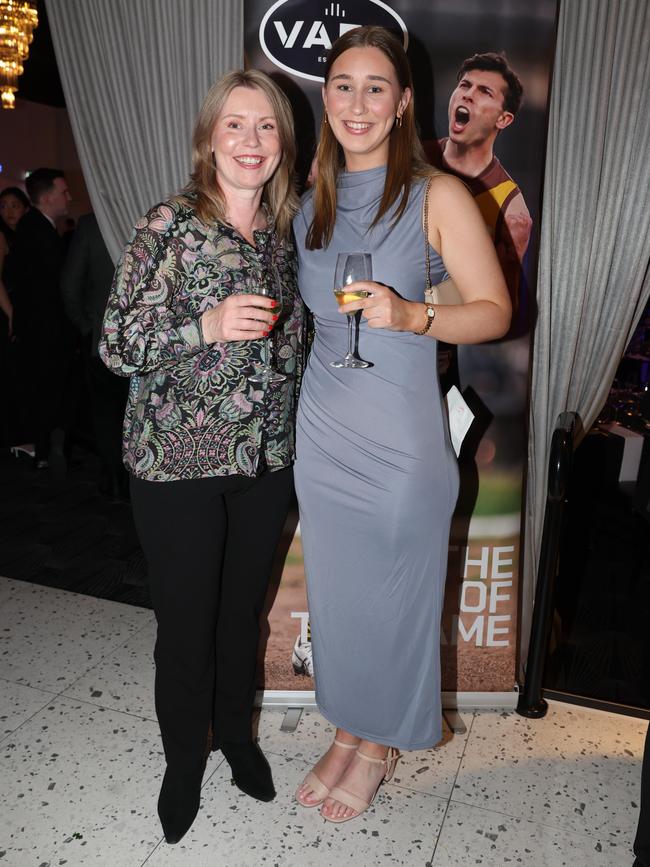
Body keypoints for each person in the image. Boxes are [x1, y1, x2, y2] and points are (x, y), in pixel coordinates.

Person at [292, 25, 511, 824]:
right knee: (343, 600)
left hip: (399, 439)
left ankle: (379, 742)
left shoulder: (435, 195)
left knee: (393, 599)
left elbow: (494, 311)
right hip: (323, 432)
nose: (358, 102)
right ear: (326, 99)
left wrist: (415, 315)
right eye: (343, 84)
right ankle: (350, 728)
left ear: (404, 101)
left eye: (376, 86)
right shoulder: (309, 196)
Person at [99, 69, 305, 845]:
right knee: (185, 624)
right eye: (235, 126)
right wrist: (205, 325)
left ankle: (237, 736)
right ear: (209, 138)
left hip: (261, 465)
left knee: (239, 616)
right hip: (177, 465)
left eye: (266, 127)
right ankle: (184, 761)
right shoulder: (171, 225)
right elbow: (116, 343)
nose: (251, 141)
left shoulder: (283, 235)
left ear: (282, 143)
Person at [430, 51, 532, 306]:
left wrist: (512, 256)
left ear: (503, 119)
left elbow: (499, 312)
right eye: (465, 85)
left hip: (447, 331)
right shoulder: (412, 156)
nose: (468, 93)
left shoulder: (510, 209)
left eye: (484, 91)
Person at [61, 213, 129, 501]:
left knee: (107, 413)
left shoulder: (93, 222)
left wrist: (87, 325)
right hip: (148, 338)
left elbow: (69, 283)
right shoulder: (150, 208)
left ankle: (116, 479)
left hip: (102, 337)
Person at [9, 169, 73, 467]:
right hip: (43, 330)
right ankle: (44, 450)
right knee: (44, 388)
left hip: (38, 327)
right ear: (47, 197)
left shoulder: (33, 227)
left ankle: (44, 448)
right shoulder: (38, 231)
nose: (69, 197)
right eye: (64, 192)